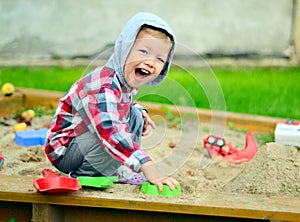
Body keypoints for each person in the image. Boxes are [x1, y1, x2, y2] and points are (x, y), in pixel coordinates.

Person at [45, 12, 178, 192]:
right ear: (125, 49)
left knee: (136, 115)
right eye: (144, 51)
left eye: (159, 58)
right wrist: (148, 168)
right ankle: (86, 174)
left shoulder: (123, 82)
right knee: (111, 135)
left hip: (84, 141)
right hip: (65, 151)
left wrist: (139, 111)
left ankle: (111, 167)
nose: (150, 62)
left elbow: (120, 104)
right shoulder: (103, 85)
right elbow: (110, 131)